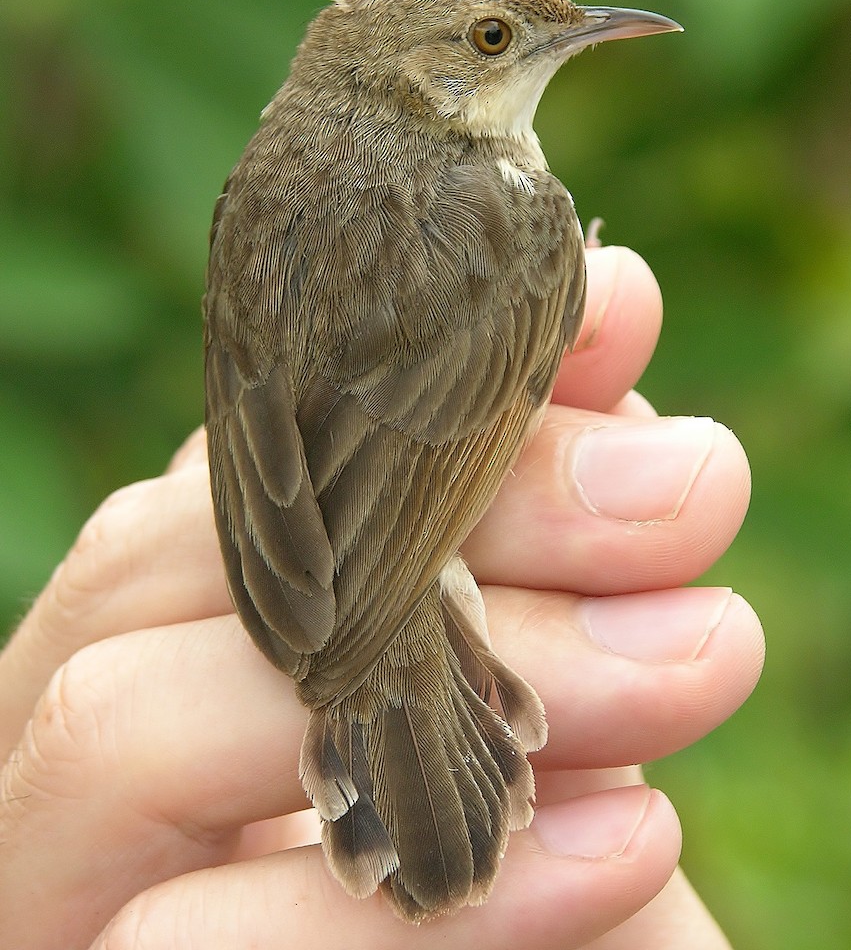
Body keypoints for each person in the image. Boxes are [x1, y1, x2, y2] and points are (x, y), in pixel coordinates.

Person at [0, 245, 763, 950]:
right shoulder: (515, 224)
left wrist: (313, 581)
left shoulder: (258, 212)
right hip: (377, 576)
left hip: (295, 551)